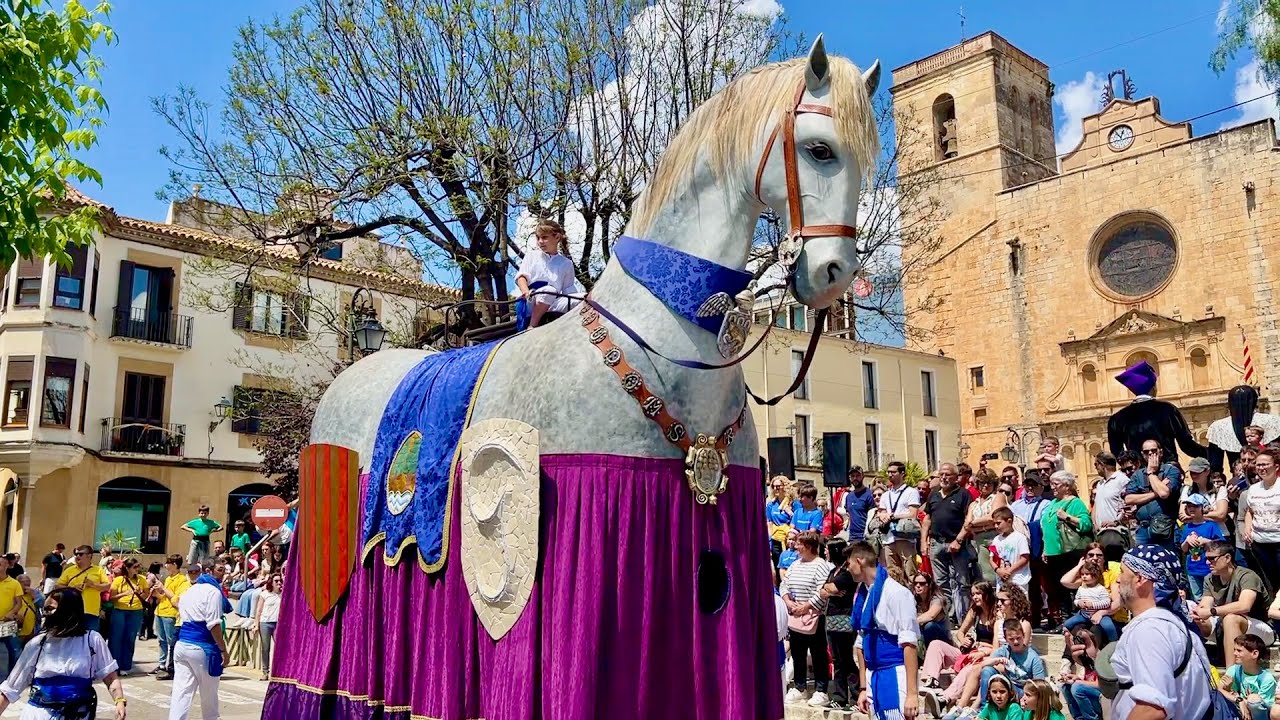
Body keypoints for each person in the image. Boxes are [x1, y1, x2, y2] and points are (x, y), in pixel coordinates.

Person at [1104, 544, 1212, 720]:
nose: (1117, 580)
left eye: (1122, 572)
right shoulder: (1171, 624)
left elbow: (1153, 708)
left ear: (1140, 579)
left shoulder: (1150, 630)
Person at [0, 588, 126, 720]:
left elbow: (109, 676)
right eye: (45, 609)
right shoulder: (37, 643)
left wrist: (119, 701)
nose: (46, 614)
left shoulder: (92, 640)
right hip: (39, 714)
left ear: (68, 611)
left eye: (51, 609)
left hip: (78, 715)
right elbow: (10, 688)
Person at [848, 541, 920, 720]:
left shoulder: (897, 593)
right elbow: (861, 642)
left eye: (849, 563)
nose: (848, 569)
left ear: (860, 561)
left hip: (894, 672)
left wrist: (912, 694)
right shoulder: (865, 595)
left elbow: (909, 643)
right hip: (873, 675)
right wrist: (863, 687)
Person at [781, 531, 833, 707]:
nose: (796, 546)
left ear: (809, 546)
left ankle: (821, 690)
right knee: (798, 653)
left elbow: (823, 591)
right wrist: (789, 602)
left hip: (815, 617)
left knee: (818, 654)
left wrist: (807, 606)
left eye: (799, 544)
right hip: (796, 616)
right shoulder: (795, 565)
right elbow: (784, 584)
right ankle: (800, 686)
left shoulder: (821, 565)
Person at [1191, 541, 1275, 649]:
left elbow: (1244, 606)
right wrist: (1199, 615)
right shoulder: (1209, 579)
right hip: (1224, 625)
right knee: (1197, 619)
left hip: (1260, 628)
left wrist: (1212, 611)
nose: (1207, 562)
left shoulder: (1247, 576)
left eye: (1212, 558)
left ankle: (1232, 661)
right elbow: (1205, 606)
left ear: (1227, 558)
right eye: (1206, 559)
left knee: (1231, 619)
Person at [169, 563, 227, 720]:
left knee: (181, 692)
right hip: (203, 647)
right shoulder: (213, 592)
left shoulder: (188, 592)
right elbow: (213, 624)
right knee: (209, 695)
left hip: (182, 645)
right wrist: (223, 650)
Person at [922, 463, 974, 624]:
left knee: (962, 582)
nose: (944, 477)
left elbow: (968, 519)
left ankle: (964, 619)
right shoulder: (933, 494)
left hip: (957, 544)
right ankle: (947, 617)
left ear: (956, 477)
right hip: (936, 543)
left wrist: (959, 540)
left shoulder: (964, 494)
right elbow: (927, 519)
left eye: (947, 474)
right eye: (941, 474)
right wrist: (923, 542)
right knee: (940, 583)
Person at [1040, 472, 1092, 629]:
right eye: (1052, 483)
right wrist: (1045, 549)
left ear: (1067, 486)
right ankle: (1065, 621)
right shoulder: (1053, 503)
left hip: (1070, 552)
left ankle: (1079, 622)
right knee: (1058, 589)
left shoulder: (1075, 503)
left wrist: (1067, 517)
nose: (1052, 487)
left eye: (1056, 484)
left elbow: (1086, 524)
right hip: (1053, 553)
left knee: (1072, 586)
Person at [515, 219, 580, 328]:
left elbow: (569, 290)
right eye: (538, 238)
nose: (540, 241)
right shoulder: (532, 256)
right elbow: (521, 277)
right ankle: (532, 325)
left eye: (544, 237)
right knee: (549, 290)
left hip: (554, 302)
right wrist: (526, 292)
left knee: (584, 298)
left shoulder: (566, 263)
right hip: (532, 300)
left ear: (557, 237)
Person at [1124, 438, 1183, 549]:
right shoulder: (1137, 475)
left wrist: (1151, 473)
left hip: (1165, 528)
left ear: (1161, 452)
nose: (1150, 453)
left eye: (1154, 450)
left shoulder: (1171, 470)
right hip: (1143, 529)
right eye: (1146, 452)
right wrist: (1155, 494)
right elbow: (1129, 499)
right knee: (1142, 559)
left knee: (1167, 558)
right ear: (1143, 455)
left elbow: (1164, 493)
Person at [1008, 473, 1050, 627]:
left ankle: (1037, 617)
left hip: (1036, 547)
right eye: (1027, 485)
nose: (1030, 488)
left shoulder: (1046, 504)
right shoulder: (1015, 505)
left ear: (1041, 487)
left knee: (1038, 583)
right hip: (1018, 548)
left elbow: (1045, 527)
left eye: (1034, 485)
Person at [975, 620, 1046, 705]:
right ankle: (985, 707)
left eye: (1018, 638)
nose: (1016, 642)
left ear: (1023, 636)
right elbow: (982, 665)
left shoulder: (1033, 657)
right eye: (1011, 639)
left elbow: (1040, 684)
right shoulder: (1004, 650)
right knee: (987, 670)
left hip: (1023, 690)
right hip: (1007, 686)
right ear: (1005, 639)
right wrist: (996, 660)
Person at [151, 556, 194, 681]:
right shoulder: (168, 578)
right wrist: (156, 593)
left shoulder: (182, 580)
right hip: (160, 611)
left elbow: (176, 599)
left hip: (170, 614)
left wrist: (163, 588)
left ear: (175, 565)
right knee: (161, 640)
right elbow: (164, 597)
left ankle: (171, 667)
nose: (166, 566)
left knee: (172, 642)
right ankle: (162, 664)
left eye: (168, 563)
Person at [1217, 633, 1278, 720]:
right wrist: (1238, 699)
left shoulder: (1267, 679)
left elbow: (1265, 707)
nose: (1234, 653)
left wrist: (1238, 698)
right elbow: (1218, 689)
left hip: (1260, 716)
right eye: (1234, 650)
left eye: (1239, 651)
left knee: (1253, 699)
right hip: (1240, 711)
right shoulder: (1234, 670)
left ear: (1254, 654)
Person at [1243, 448, 1280, 592]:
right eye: (1258, 465)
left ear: (1276, 466)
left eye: (1265, 464)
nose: (1261, 468)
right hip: (1260, 543)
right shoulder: (1253, 489)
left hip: (1278, 541)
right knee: (1271, 581)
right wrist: (1247, 529)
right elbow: (1250, 511)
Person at [1178, 494, 1227, 601]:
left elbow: (1221, 544)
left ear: (1202, 507)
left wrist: (1206, 541)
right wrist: (1187, 541)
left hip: (1209, 569)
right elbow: (1184, 549)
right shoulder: (1187, 527)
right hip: (1192, 569)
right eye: (1189, 506)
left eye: (1195, 506)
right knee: (1197, 597)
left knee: (1213, 596)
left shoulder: (1211, 525)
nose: (1191, 508)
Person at [878, 461, 921, 581]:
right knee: (893, 574)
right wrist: (883, 516)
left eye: (893, 472)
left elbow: (913, 514)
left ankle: (913, 592)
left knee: (910, 573)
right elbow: (881, 512)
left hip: (905, 537)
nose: (890, 474)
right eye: (888, 472)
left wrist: (893, 516)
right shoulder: (885, 495)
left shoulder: (911, 492)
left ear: (902, 473)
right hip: (888, 538)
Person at [967, 469, 1009, 584]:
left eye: (989, 482)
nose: (985, 485)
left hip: (996, 540)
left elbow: (993, 517)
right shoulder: (974, 503)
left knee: (998, 574)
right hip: (979, 543)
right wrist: (984, 525)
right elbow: (967, 525)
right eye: (982, 482)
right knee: (984, 576)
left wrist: (974, 524)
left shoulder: (998, 497)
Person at [106, 558, 147, 676]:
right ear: (128, 568)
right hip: (120, 610)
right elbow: (111, 598)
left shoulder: (141, 579)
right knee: (116, 639)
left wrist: (140, 593)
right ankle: (114, 666)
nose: (137, 569)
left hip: (136, 611)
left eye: (138, 566)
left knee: (130, 638)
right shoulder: (119, 580)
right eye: (135, 567)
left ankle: (125, 666)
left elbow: (146, 594)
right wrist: (123, 594)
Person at [53, 547, 108, 635]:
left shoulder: (99, 570)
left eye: (80, 554)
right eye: (76, 554)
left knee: (90, 639)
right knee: (70, 637)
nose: (77, 556)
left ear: (89, 555)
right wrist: (72, 588)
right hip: (71, 611)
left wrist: (93, 585)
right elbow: (57, 586)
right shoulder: (69, 570)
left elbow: (107, 586)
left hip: (91, 612)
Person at [1062, 560, 1116, 643]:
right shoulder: (1081, 588)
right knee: (1067, 624)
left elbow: (1106, 602)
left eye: (1087, 574)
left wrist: (1093, 605)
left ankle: (1114, 641)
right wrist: (1078, 603)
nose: (1084, 576)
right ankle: (1069, 638)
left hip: (1098, 615)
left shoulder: (1100, 589)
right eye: (1082, 574)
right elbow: (1076, 599)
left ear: (1095, 576)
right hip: (1083, 615)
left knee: (1108, 626)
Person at [1059, 627, 1104, 720]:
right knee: (1066, 687)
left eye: (1086, 644)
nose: (1083, 649)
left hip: (1102, 700)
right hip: (1091, 699)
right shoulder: (1086, 664)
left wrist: (1078, 682)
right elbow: (1086, 682)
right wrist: (1074, 678)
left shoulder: (1102, 660)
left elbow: (1100, 685)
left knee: (1077, 688)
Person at [990, 507, 1031, 597]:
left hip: (1018, 580)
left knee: (1019, 602)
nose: (996, 526)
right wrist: (998, 570)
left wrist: (1009, 571)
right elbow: (992, 558)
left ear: (1009, 521)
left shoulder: (1020, 538)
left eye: (998, 523)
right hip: (1002, 580)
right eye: (994, 524)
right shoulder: (996, 540)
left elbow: (1024, 558)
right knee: (1003, 601)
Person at [911, 573, 953, 648]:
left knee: (930, 626)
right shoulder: (914, 600)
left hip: (943, 638)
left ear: (929, 585)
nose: (918, 586)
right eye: (915, 583)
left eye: (922, 583)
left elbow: (931, 615)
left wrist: (910, 622)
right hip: (923, 635)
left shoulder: (938, 599)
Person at [254, 573, 282, 682]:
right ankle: (265, 672)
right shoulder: (265, 594)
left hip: (278, 623)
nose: (279, 583)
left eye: (280, 581)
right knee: (265, 648)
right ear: (271, 582)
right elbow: (259, 610)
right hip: (265, 622)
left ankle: (278, 671)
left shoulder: (283, 594)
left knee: (279, 647)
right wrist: (256, 624)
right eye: (276, 581)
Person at [766, 476, 795, 572]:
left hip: (790, 537)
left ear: (785, 487)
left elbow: (796, 519)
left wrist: (789, 512)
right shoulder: (771, 504)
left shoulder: (793, 503)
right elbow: (769, 522)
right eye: (773, 487)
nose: (776, 489)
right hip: (776, 537)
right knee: (777, 564)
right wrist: (770, 539)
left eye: (778, 486)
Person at [843, 467, 876, 543]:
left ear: (863, 476)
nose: (855, 478)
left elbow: (873, 515)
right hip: (852, 537)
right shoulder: (849, 497)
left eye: (857, 475)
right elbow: (849, 515)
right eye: (852, 476)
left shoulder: (869, 494)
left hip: (866, 537)